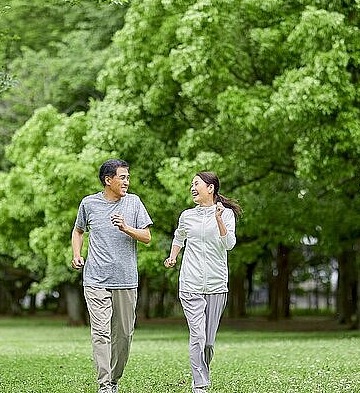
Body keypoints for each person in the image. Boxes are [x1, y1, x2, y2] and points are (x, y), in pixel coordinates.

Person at [71, 159, 153, 393]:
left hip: (126, 280)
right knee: (101, 332)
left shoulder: (134, 203)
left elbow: (147, 237)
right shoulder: (89, 204)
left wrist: (126, 228)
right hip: (95, 279)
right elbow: (78, 230)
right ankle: (105, 385)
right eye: (123, 177)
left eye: (128, 177)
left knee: (124, 335)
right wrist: (77, 254)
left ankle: (115, 379)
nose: (127, 181)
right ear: (108, 180)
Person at [163, 171, 241, 393]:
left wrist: (218, 219)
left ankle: (202, 375)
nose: (192, 188)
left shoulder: (225, 214)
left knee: (208, 342)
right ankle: (200, 384)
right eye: (191, 184)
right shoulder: (187, 216)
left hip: (217, 284)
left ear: (210, 188)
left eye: (196, 183)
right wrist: (173, 256)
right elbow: (179, 237)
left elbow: (229, 244)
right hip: (191, 283)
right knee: (197, 335)